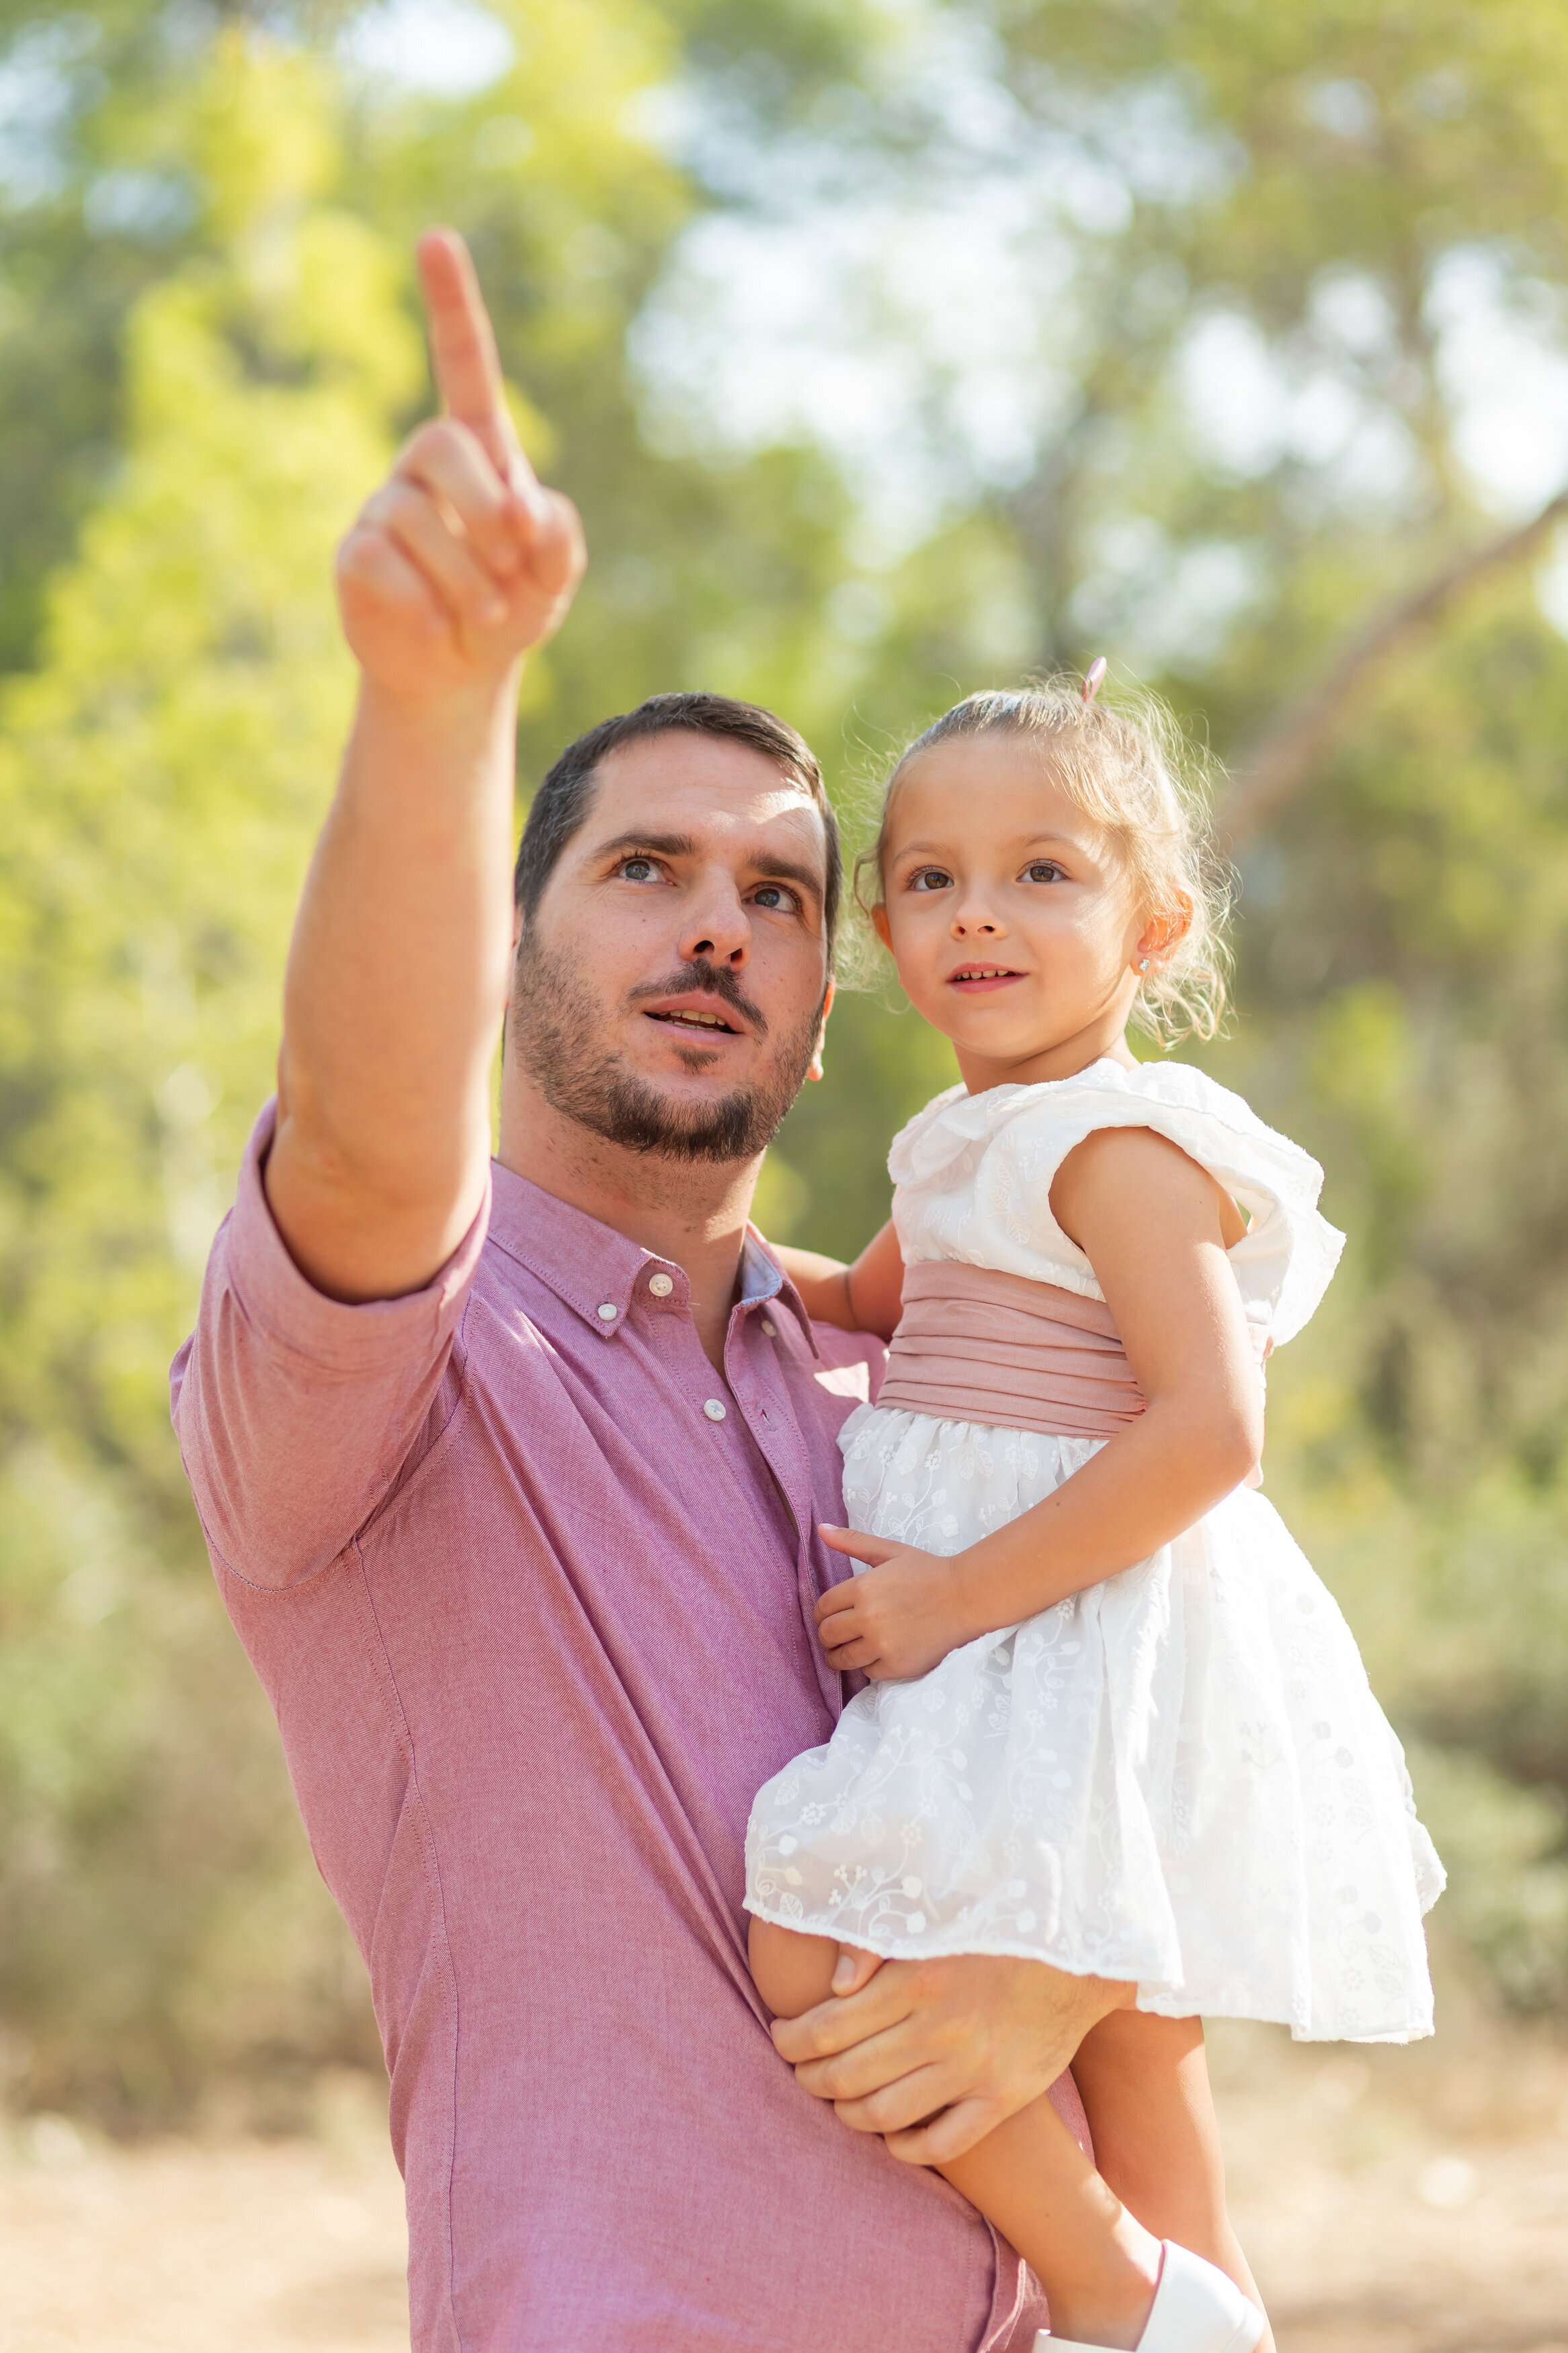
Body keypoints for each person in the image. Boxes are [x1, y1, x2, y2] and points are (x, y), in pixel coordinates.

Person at [170, 232, 1129, 2352]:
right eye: (640, 870)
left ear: (819, 990)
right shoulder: (388, 1384)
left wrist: (1062, 1963)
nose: (715, 929)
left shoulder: (921, 1365)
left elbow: (1158, 1736)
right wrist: (439, 705)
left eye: (774, 896)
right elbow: (356, 1130)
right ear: (509, 942)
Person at [747, 680, 1446, 2353]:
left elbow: (1215, 1429)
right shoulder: (963, 1143)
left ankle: (1100, 2281)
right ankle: (1198, 2313)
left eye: (1042, 870)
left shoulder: (1120, 1146)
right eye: (928, 878)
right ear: (885, 928)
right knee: (1144, 2077)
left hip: (1074, 1621)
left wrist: (955, 1602)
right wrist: (702, 1248)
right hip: (1021, 1618)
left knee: (803, 1913)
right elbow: (868, 1299)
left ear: (1155, 920)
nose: (977, 910)